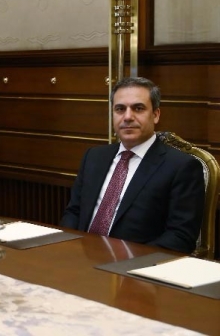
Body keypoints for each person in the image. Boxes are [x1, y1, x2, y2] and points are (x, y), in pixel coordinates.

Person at [60, 77, 205, 253]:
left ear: (156, 115)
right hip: (80, 257)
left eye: (138, 108)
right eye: (120, 109)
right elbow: (74, 212)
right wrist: (67, 248)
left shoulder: (182, 167)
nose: (128, 117)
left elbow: (181, 237)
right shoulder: (94, 157)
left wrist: (128, 261)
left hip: (135, 265)